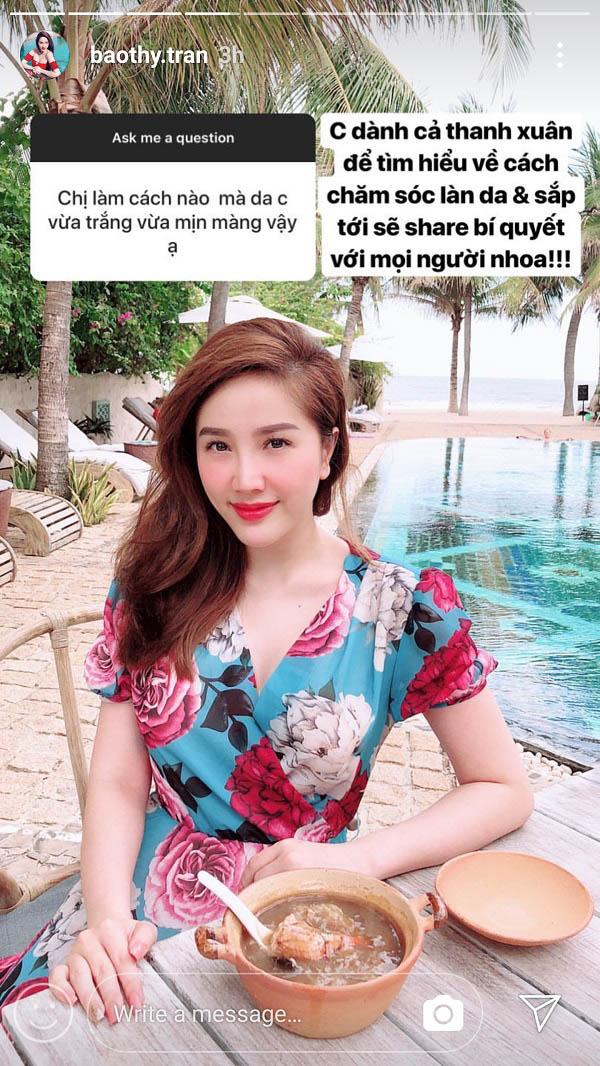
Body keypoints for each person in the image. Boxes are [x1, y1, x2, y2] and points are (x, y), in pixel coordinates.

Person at [0, 318, 533, 1027]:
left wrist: (359, 862)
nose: (244, 478)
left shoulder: (400, 608)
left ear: (328, 449)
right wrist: (104, 920)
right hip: (136, 894)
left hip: (304, 910)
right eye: (217, 445)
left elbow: (501, 787)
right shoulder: (154, 588)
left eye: (276, 442)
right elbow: (120, 783)